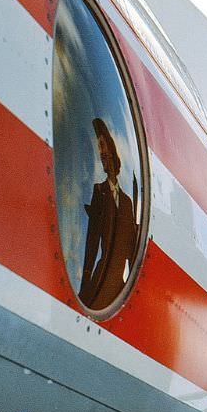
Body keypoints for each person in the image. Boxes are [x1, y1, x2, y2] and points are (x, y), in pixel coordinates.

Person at [79, 118, 139, 309]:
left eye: (103, 147)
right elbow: (92, 239)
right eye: (99, 150)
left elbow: (131, 249)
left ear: (112, 152)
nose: (101, 153)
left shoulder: (128, 202)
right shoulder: (98, 191)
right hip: (102, 279)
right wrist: (87, 276)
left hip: (120, 285)